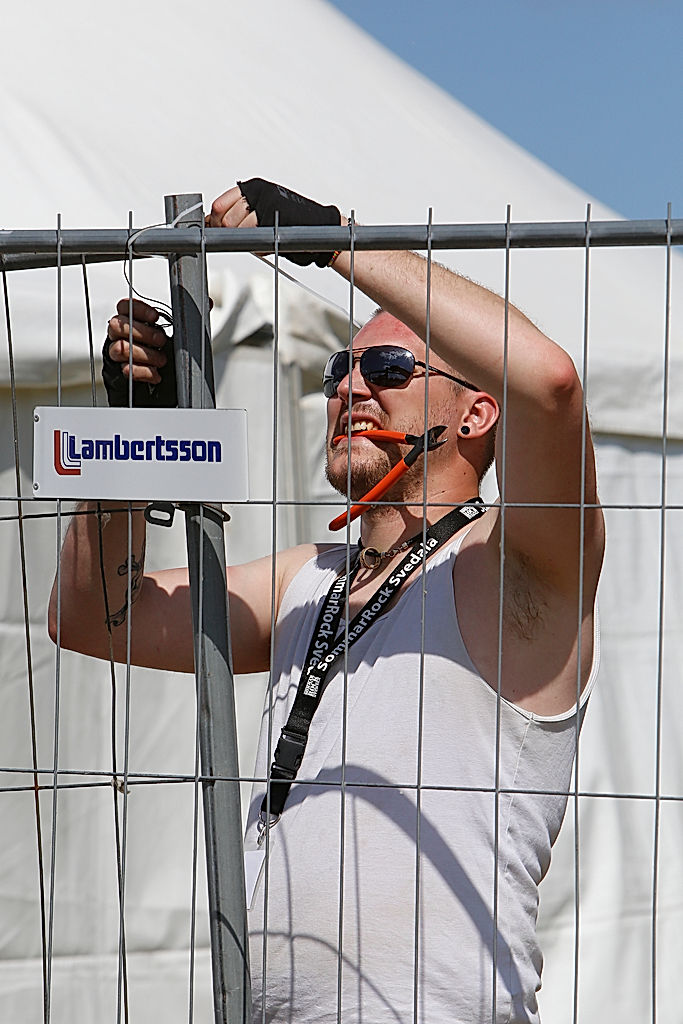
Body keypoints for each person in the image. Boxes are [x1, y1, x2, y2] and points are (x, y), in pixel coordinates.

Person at [49, 179, 604, 1023]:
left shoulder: (512, 562)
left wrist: (334, 241)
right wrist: (131, 435)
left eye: (385, 367)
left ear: (477, 414)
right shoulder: (313, 576)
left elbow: (552, 384)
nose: (348, 387)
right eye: (336, 369)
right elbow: (92, 617)